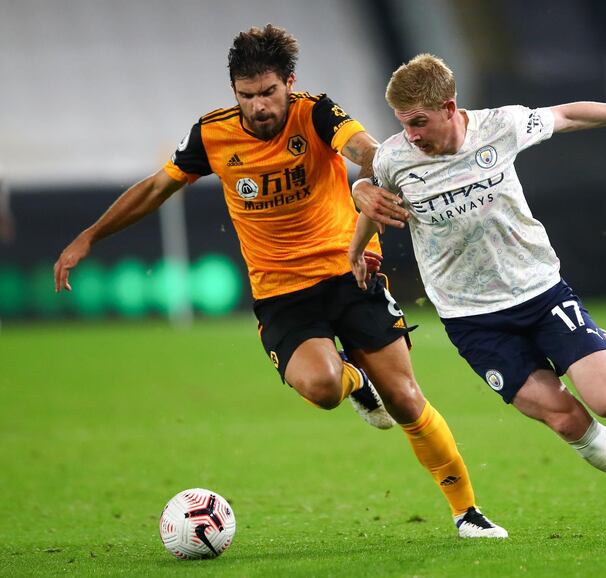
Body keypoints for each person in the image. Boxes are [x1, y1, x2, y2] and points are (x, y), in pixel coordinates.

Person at [53, 25, 506, 538]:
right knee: (323, 387)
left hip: (349, 272)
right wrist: (90, 236)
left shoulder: (315, 112)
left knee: (404, 398)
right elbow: (157, 187)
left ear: (289, 83)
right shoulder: (212, 134)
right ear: (234, 93)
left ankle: (467, 512)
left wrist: (374, 178)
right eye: (247, 95)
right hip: (281, 294)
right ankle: (354, 380)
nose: (259, 106)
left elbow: (364, 148)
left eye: (268, 92)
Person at [349, 53, 606, 538]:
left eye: (419, 122)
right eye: (403, 124)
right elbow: (374, 200)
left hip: (539, 292)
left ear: (449, 107)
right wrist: (356, 250)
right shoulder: (396, 157)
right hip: (471, 320)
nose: (411, 135)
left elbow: (568, 114)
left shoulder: (500, 127)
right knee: (567, 423)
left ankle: (602, 344)